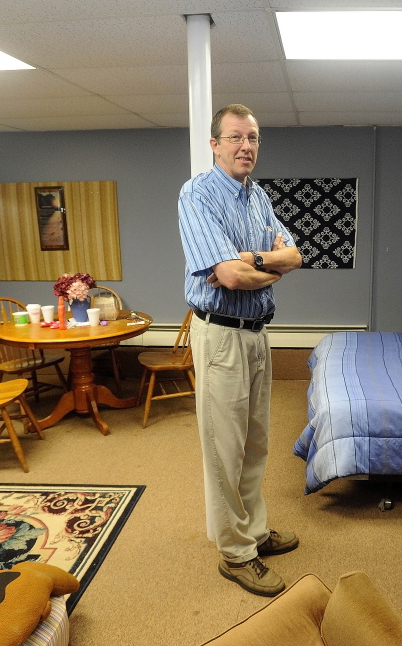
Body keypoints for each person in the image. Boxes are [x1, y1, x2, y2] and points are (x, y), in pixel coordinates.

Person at [178, 103, 303, 597]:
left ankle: (252, 530)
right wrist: (271, 265)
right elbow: (228, 276)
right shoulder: (198, 194)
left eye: (252, 138)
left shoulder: (260, 198)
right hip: (220, 335)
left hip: (257, 332)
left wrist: (258, 261)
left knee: (255, 442)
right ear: (215, 144)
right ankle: (235, 553)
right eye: (235, 138)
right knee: (224, 448)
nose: (245, 147)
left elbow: (294, 254)